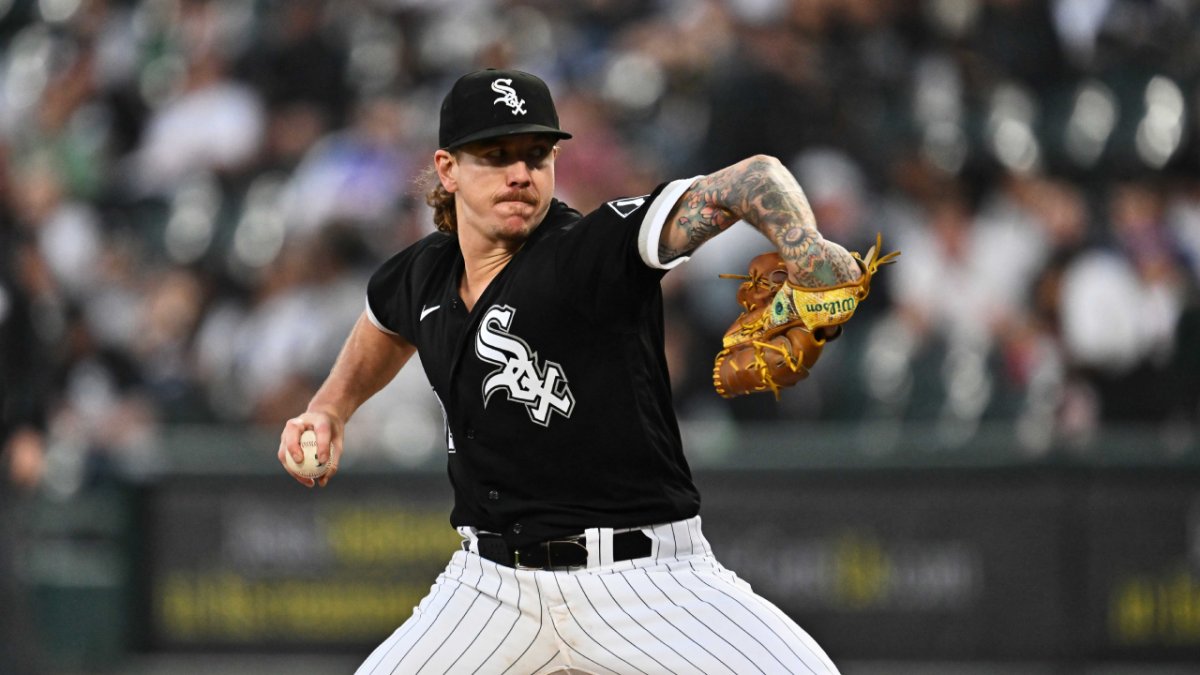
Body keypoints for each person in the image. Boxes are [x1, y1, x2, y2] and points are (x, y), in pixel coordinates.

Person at [278, 68, 860, 674]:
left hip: (643, 582)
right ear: (447, 170)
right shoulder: (423, 272)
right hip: (490, 588)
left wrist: (806, 247)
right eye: (495, 155)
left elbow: (750, 179)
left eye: (536, 154)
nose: (520, 174)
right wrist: (330, 407)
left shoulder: (590, 251)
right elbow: (383, 322)